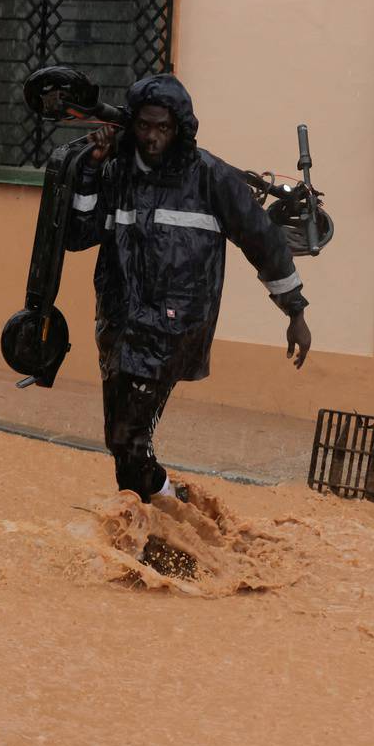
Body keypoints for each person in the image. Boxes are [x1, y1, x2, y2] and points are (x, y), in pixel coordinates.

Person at [61, 74, 313, 502]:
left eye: (163, 128)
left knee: (130, 444)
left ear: (179, 127)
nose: (153, 137)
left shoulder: (209, 177)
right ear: (133, 124)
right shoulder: (115, 171)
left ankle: (161, 537)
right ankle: (174, 512)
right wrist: (88, 169)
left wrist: (295, 312)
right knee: (121, 445)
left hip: (172, 332)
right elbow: (78, 234)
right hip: (120, 329)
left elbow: (263, 241)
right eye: (144, 126)